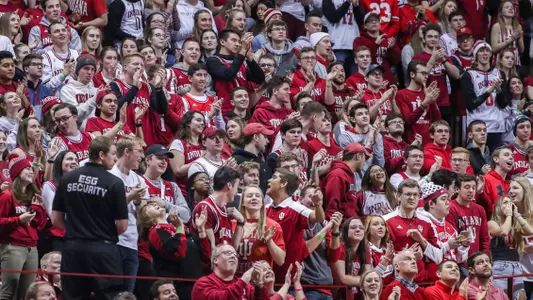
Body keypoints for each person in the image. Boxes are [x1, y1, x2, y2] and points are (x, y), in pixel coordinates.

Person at [51, 136, 128, 300]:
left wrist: (76, 230)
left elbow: (56, 219)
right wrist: (102, 233)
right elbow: (122, 226)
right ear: (101, 155)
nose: (115, 158)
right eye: (113, 153)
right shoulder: (114, 183)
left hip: (73, 248)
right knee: (109, 297)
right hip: (103, 250)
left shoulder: (67, 178)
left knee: (73, 296)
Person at [0, 156, 47, 299]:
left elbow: (39, 225)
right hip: (12, 245)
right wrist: (19, 220)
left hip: (32, 247)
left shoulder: (33, 195)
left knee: (27, 292)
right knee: (9, 290)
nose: (31, 171)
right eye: (27, 168)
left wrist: (37, 208)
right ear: (17, 172)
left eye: (31, 169)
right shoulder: (7, 195)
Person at [266, 168, 325, 281]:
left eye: (273, 178)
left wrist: (317, 205)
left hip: (288, 281)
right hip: (265, 278)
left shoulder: (296, 208)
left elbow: (318, 218)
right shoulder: (264, 209)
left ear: (283, 183)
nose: (269, 180)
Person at [108, 137, 149, 293]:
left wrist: (138, 202)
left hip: (131, 243)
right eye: (139, 151)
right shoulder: (109, 176)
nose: (142, 157)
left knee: (127, 294)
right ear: (127, 152)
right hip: (111, 242)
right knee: (110, 292)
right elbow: (105, 209)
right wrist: (129, 197)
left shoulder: (139, 180)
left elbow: (143, 216)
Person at [384, 179, 440, 283]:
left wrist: (422, 241)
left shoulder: (427, 222)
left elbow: (438, 257)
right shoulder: (386, 221)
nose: (412, 198)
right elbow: (380, 254)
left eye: (415, 195)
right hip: (395, 282)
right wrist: (407, 254)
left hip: (423, 282)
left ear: (419, 197)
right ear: (398, 196)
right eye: (408, 194)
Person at [461, 41, 511, 152]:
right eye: (481, 51)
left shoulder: (499, 74)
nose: (485, 54)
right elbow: (470, 104)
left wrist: (499, 92)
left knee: (496, 160)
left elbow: (503, 104)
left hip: (496, 126)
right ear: (475, 55)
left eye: (487, 51)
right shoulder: (468, 75)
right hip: (476, 125)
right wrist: (489, 91)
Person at [206, 29, 264, 113]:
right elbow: (229, 75)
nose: (237, 44)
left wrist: (249, 58)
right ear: (222, 42)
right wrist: (242, 51)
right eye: (233, 40)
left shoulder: (241, 62)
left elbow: (260, 79)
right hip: (225, 112)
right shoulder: (213, 61)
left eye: (239, 42)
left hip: (244, 112)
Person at [233, 186, 286, 276]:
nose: (254, 198)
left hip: (260, 283)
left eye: (257, 196)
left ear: (262, 203)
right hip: (235, 282)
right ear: (242, 202)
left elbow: (280, 261)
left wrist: (269, 241)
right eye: (249, 196)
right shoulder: (233, 224)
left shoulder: (272, 226)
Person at [488, 195, 532, 298]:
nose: (509, 205)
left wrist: (516, 214)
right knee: (499, 296)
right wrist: (509, 215)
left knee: (520, 297)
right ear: (498, 207)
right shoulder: (492, 223)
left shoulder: (514, 225)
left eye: (510, 203)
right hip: (500, 266)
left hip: (517, 265)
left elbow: (530, 231)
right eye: (505, 203)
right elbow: (503, 232)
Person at [191, 243, 269, 299]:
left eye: (235, 255)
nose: (233, 256)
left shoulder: (246, 286)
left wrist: (259, 286)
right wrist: (243, 280)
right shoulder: (203, 283)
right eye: (228, 253)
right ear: (215, 260)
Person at [191, 166, 242, 249]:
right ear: (229, 185)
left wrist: (240, 222)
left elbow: (233, 248)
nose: (236, 192)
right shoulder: (206, 208)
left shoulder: (224, 209)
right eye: (236, 187)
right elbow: (211, 251)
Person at [395, 60, 441, 145]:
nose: (426, 76)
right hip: (411, 143)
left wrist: (432, 100)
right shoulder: (401, 94)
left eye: (427, 73)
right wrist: (424, 104)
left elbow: (437, 120)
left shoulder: (426, 94)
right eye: (423, 73)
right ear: (412, 74)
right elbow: (407, 120)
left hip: (428, 143)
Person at [328, 217, 372, 299]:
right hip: (338, 294)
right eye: (353, 227)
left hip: (357, 294)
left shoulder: (365, 249)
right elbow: (341, 279)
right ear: (345, 231)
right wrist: (365, 281)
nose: (358, 230)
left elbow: (368, 276)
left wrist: (366, 280)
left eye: (361, 228)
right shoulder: (340, 247)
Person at [353, 13, 401, 85]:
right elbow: (361, 60)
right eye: (370, 20)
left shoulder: (386, 40)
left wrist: (392, 48)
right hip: (368, 80)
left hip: (387, 80)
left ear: (380, 24)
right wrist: (375, 45)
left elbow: (396, 60)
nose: (374, 22)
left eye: (376, 20)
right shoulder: (359, 40)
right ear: (365, 26)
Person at [324, 142, 369, 219]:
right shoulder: (338, 175)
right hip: (341, 228)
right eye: (365, 158)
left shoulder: (348, 175)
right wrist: (335, 230)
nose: (365, 162)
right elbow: (331, 209)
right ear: (358, 157)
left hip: (350, 225)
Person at [232, 123, 273, 192]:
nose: (267, 141)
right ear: (256, 137)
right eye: (265, 137)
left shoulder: (265, 164)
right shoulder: (235, 161)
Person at [41, 22, 79, 92]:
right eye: (57, 31)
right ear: (50, 37)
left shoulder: (77, 54)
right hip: (58, 100)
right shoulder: (45, 58)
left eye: (63, 30)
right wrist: (63, 74)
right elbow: (45, 87)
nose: (61, 33)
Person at [483, 145, 513, 217]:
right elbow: (485, 206)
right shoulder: (486, 179)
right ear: (496, 159)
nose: (511, 157)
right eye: (506, 155)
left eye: (512, 156)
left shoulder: (512, 183)